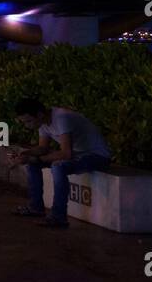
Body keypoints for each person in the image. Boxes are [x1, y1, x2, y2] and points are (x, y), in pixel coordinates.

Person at [9, 98, 112, 228]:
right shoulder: (42, 123)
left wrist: (36, 159)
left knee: (58, 166)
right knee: (32, 164)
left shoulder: (62, 118)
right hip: (78, 154)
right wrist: (25, 154)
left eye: (29, 121)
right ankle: (36, 207)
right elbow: (43, 148)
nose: (27, 125)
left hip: (97, 156)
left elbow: (66, 154)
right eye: (24, 122)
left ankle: (58, 217)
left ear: (39, 114)